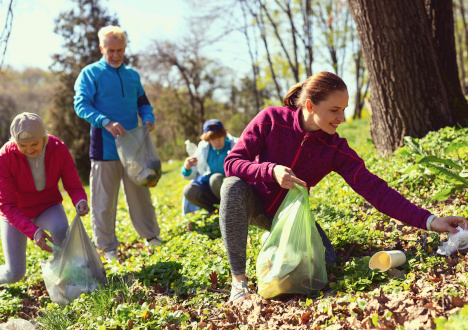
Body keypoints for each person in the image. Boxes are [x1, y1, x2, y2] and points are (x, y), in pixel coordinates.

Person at [220, 71, 468, 304]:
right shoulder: (272, 120)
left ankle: (274, 241)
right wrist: (269, 171)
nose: (341, 118)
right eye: (334, 110)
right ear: (310, 106)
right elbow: (231, 163)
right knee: (232, 187)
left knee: (326, 262)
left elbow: (375, 189)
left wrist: (430, 220)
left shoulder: (334, 148)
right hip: (254, 203)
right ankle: (239, 282)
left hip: (290, 215)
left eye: (344, 110)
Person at [73, 25, 161, 261]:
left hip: (134, 150)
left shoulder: (132, 76)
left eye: (119, 50)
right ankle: (107, 247)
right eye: (110, 50)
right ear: (102, 48)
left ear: (124, 48)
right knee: (103, 202)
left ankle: (152, 236)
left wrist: (148, 117)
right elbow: (81, 104)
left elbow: (143, 103)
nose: (115, 54)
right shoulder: (90, 74)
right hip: (105, 148)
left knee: (140, 196)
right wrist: (104, 121)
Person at [0, 112, 89, 284]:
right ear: (14, 142)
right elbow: (7, 205)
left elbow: (73, 184)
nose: (29, 149)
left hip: (48, 206)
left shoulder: (58, 148)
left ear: (44, 138)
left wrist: (80, 200)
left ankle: (65, 280)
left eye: (35, 144)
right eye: (22, 145)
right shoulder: (4, 157)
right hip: (17, 213)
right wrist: (33, 231)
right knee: (15, 273)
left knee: (60, 229)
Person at [181, 119, 237, 214]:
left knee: (215, 179)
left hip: (230, 189)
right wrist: (187, 167)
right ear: (207, 139)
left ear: (224, 135)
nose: (217, 141)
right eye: (212, 138)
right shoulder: (203, 150)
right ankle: (213, 211)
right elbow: (192, 175)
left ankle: (230, 210)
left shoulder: (234, 145)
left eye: (219, 136)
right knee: (188, 190)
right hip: (209, 191)